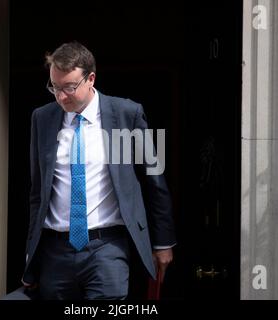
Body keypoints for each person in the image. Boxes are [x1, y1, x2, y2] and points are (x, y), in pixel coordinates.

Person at [22, 41, 176, 300]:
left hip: (107, 248)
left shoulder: (126, 114)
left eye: (69, 88)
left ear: (90, 78)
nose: (61, 96)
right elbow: (37, 192)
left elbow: (154, 179)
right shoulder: (43, 118)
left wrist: (163, 242)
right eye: (54, 87)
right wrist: (31, 251)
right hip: (54, 251)